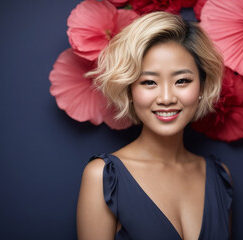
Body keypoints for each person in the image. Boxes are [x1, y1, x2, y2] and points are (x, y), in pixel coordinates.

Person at [76, 11, 232, 240]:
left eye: (182, 81)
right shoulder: (104, 177)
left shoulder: (219, 176)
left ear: (202, 85)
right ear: (129, 89)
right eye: (149, 82)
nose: (167, 97)